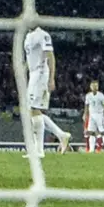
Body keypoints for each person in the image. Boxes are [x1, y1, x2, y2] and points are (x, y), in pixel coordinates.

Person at [23, 26, 71, 158]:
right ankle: (61, 135)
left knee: (34, 109)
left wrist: (51, 79)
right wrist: (24, 68)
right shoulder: (28, 36)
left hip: (41, 73)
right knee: (32, 111)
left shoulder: (43, 35)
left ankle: (39, 151)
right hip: (33, 74)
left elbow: (50, 56)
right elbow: (31, 58)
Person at [83, 80, 104, 153]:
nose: (94, 87)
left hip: (99, 115)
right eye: (93, 86)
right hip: (91, 115)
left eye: (96, 86)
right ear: (90, 87)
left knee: (103, 132)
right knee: (91, 132)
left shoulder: (101, 95)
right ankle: (91, 150)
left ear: (98, 87)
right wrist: (85, 114)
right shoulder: (88, 96)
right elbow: (86, 106)